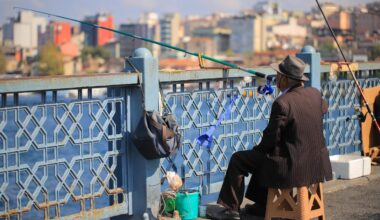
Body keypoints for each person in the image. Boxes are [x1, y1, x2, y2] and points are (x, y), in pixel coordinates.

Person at [209, 55, 333, 219]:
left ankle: (232, 210)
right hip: (316, 163)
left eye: (277, 76)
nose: (275, 79)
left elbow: (270, 139)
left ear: (284, 79)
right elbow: (324, 108)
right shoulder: (315, 94)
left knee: (240, 159)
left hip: (293, 167)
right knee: (265, 158)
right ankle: (263, 206)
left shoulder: (282, 102)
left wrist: (256, 151)